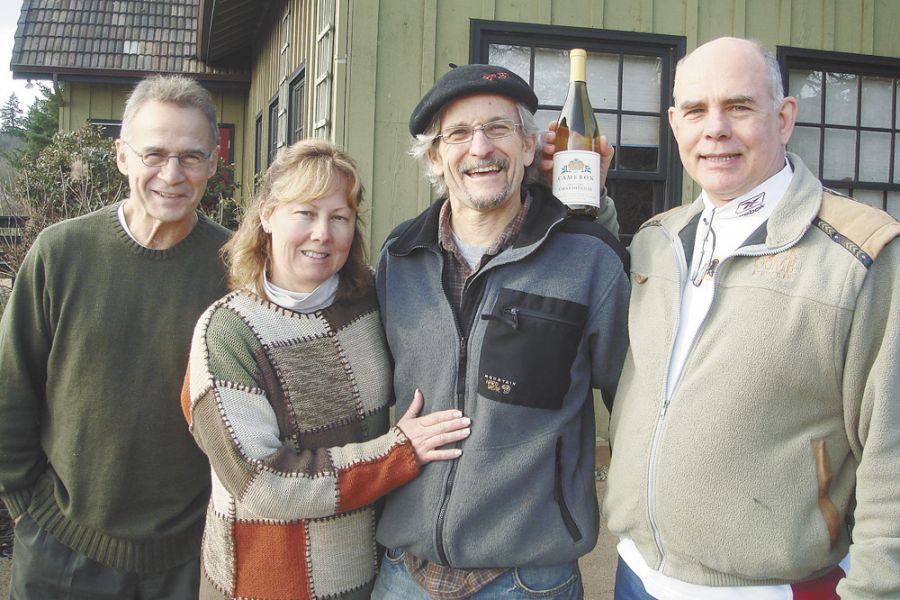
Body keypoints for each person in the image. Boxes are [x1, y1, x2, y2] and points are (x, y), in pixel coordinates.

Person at [596, 37, 900, 598]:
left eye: (739, 106)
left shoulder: (863, 256)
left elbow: (892, 454)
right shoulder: (657, 241)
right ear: (674, 124)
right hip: (635, 573)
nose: (715, 129)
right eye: (695, 110)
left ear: (783, 118)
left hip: (768, 589)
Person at [371, 64, 631, 599]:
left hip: (527, 580)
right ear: (436, 156)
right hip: (404, 574)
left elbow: (636, 402)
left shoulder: (589, 259)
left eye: (499, 129)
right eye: (459, 134)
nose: (480, 148)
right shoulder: (399, 259)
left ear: (530, 146)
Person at [182, 139, 471, 599]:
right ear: (267, 216)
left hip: (369, 573)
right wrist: (396, 454)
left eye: (339, 217)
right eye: (305, 213)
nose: (323, 234)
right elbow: (261, 486)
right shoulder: (226, 333)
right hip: (265, 582)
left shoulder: (372, 304)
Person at [0, 75, 231, 598]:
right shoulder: (60, 253)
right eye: (154, 154)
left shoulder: (234, 268)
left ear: (213, 164)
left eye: (191, 157)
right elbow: (10, 389)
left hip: (187, 563)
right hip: (61, 553)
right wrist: (25, 508)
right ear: (122, 157)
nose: (172, 174)